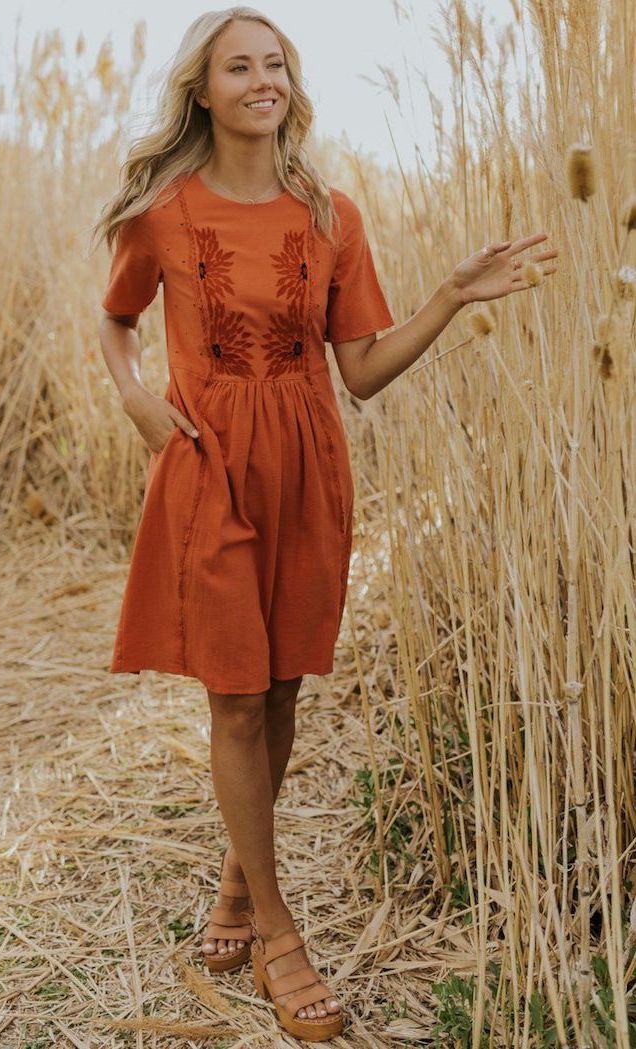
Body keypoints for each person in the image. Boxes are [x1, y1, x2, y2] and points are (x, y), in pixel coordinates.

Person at [93, 7, 558, 1040]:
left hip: (308, 468)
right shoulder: (162, 212)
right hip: (210, 468)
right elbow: (115, 316)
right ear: (201, 92)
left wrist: (447, 294)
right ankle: (279, 933)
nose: (263, 80)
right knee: (238, 699)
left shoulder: (331, 213)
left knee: (284, 683)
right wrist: (133, 394)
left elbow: (363, 373)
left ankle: (231, 890)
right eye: (240, 66)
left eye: (277, 65)